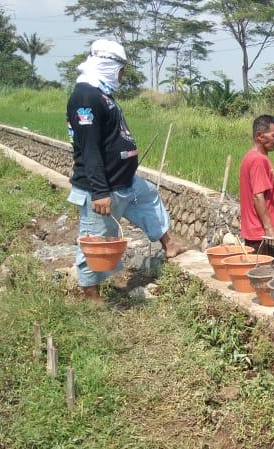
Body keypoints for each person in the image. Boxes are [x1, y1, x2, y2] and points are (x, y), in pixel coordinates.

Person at [66, 39, 186, 303]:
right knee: (96, 241)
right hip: (102, 186)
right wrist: (99, 192)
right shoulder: (85, 97)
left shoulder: (102, 94)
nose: (121, 76)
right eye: (120, 70)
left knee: (148, 195)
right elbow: (90, 149)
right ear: (109, 65)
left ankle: (169, 244)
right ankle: (91, 296)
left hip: (124, 181)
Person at [239, 115, 274, 263]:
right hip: (264, 236)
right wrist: (270, 229)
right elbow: (258, 196)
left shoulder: (250, 157)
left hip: (257, 234)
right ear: (259, 136)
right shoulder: (259, 160)